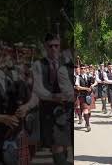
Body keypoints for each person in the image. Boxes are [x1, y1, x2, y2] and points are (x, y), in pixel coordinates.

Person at [32, 33, 70, 164]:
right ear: (45, 47)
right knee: (57, 146)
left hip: (65, 111)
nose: (53, 49)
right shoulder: (38, 64)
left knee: (64, 146)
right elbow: (38, 88)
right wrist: (53, 97)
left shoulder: (66, 63)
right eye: (50, 46)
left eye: (56, 46)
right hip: (49, 110)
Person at [75, 64, 95, 132]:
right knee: (85, 110)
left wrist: (93, 85)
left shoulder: (89, 76)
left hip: (89, 96)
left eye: (84, 68)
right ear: (80, 69)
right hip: (82, 96)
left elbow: (95, 82)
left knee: (89, 111)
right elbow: (77, 87)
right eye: (81, 68)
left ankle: (87, 122)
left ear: (86, 69)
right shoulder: (78, 77)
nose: (83, 70)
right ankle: (88, 125)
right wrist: (86, 88)